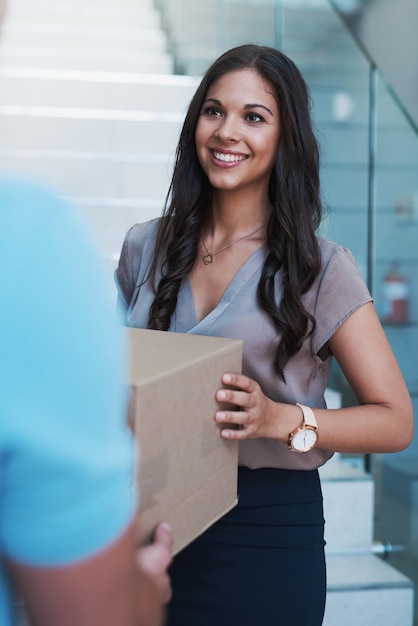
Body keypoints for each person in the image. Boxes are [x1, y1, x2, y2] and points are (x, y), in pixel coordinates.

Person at [115, 44, 414, 626]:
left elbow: (396, 419)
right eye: (214, 111)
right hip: (149, 524)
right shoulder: (142, 247)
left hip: (265, 534)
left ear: (286, 138)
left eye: (254, 116)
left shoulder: (320, 268)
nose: (228, 132)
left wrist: (284, 420)